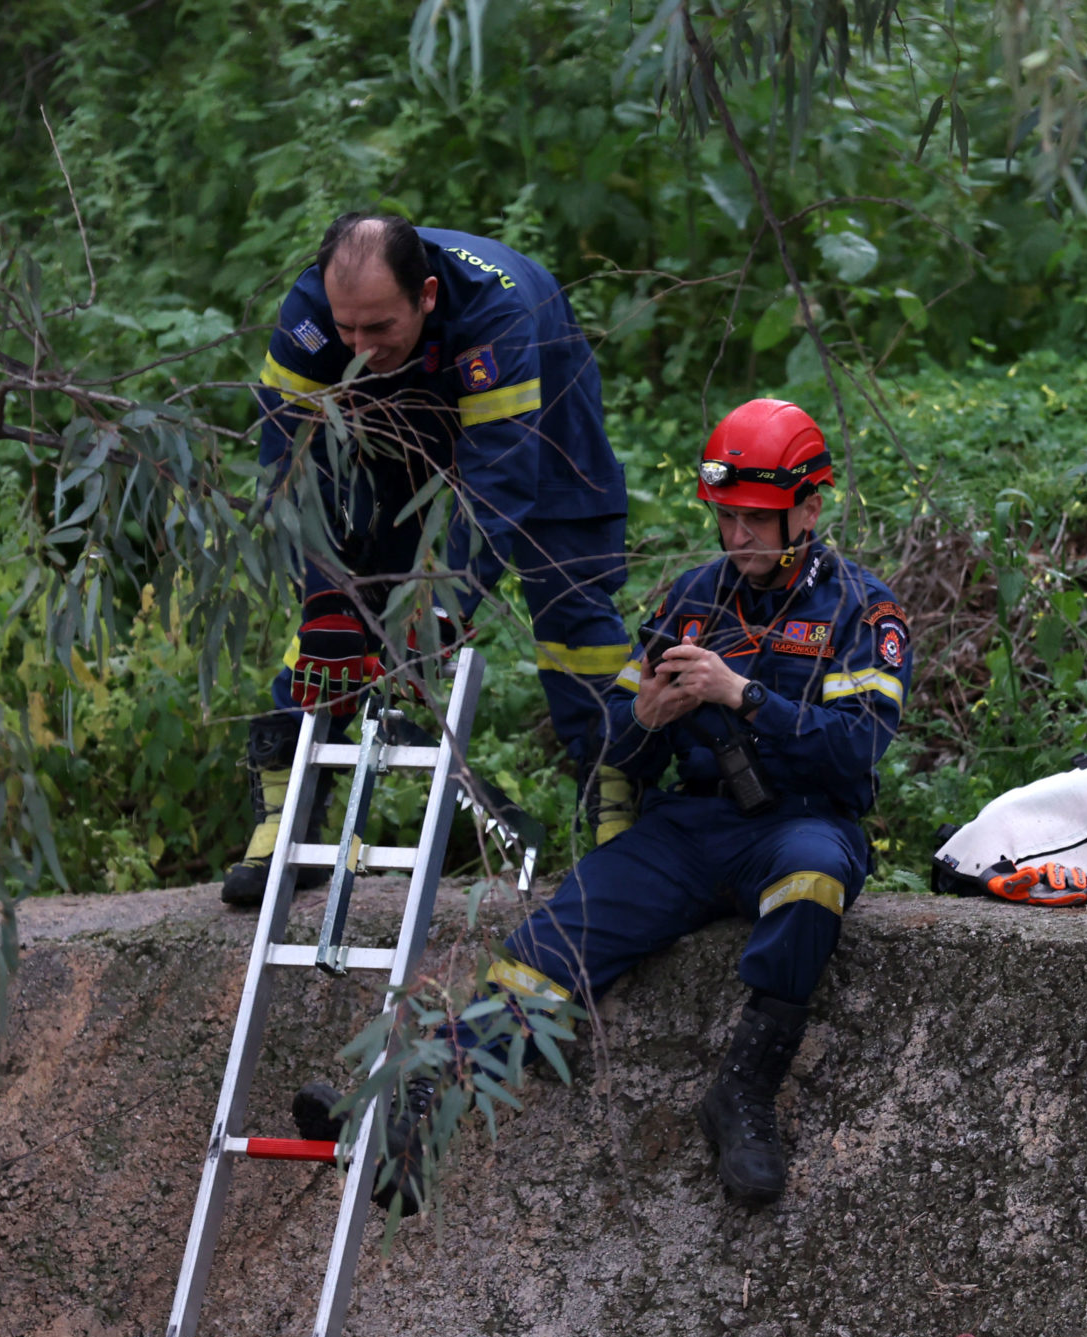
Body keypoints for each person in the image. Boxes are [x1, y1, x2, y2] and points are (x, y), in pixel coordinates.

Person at [393, 398, 913, 1209]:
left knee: (815, 878)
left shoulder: (861, 608)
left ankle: (742, 1092)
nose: (737, 535)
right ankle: (428, 1091)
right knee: (566, 925)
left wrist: (743, 696)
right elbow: (613, 749)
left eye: (756, 518)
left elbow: (861, 746)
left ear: (809, 507)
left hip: (802, 820)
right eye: (726, 516)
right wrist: (642, 719)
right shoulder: (690, 599)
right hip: (689, 826)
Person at [220, 214, 635, 907]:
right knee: (341, 613)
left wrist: (439, 605)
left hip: (544, 411)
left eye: (378, 329)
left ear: (428, 296)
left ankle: (621, 810)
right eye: (347, 329)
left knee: (574, 608)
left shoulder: (498, 314)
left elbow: (496, 479)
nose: (357, 347)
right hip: (398, 421)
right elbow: (289, 469)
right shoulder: (317, 316)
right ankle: (285, 816)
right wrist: (324, 590)